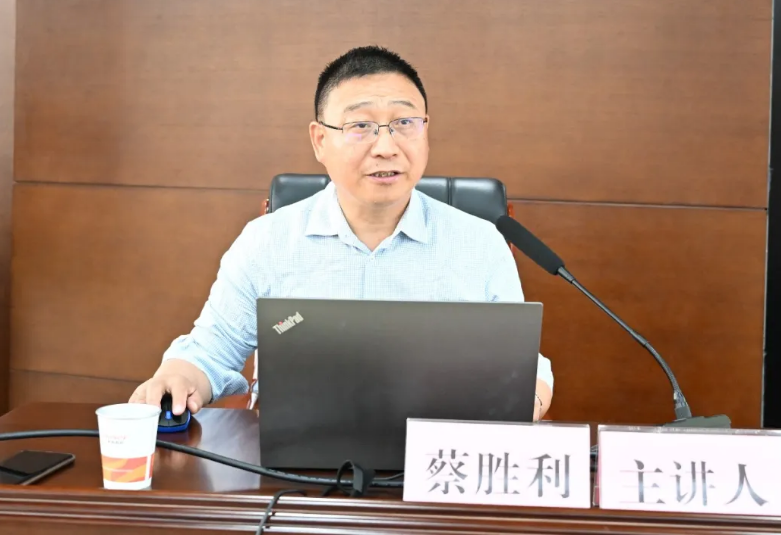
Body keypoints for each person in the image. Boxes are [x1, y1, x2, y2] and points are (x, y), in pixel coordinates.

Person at [129, 45, 554, 421]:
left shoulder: (480, 244)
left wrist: (526, 398)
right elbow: (209, 350)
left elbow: (523, 368)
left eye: (405, 122)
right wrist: (177, 378)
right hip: (296, 464)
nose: (386, 147)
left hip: (434, 463)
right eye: (360, 126)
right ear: (319, 141)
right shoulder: (267, 242)